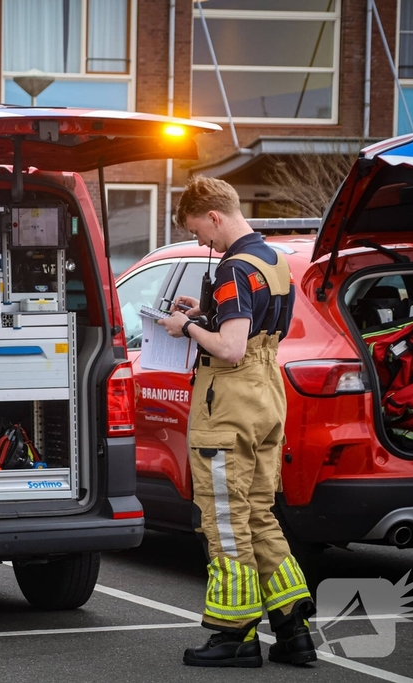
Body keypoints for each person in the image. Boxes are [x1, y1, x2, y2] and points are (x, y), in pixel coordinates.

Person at [160, 176, 316, 668]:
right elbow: (253, 326)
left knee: (224, 521)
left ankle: (234, 635)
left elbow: (230, 349)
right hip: (268, 394)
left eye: (200, 234)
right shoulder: (274, 262)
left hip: (229, 405)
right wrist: (206, 312)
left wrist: (184, 326)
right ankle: (293, 629)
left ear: (214, 216)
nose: (202, 243)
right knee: (258, 513)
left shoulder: (232, 269)